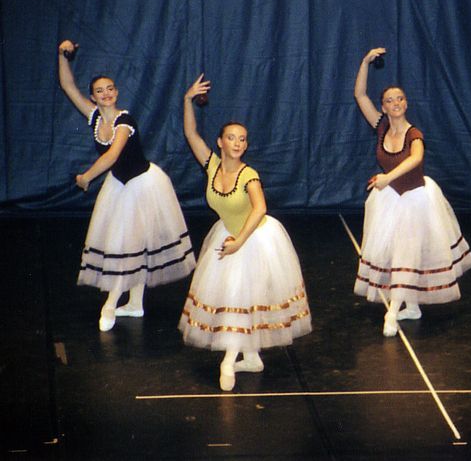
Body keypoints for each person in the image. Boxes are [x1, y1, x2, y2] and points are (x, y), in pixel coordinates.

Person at [178, 75, 311, 391]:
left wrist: (240, 241)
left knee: (241, 297)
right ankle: (251, 358)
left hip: (256, 238)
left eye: (243, 139)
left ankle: (228, 361)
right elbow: (190, 132)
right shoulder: (211, 165)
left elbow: (260, 208)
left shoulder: (249, 175)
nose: (238, 143)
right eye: (232, 138)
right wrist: (187, 100)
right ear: (220, 142)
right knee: (238, 298)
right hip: (229, 235)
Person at [57, 40, 196, 332]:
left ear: (116, 92)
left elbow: (112, 155)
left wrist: (86, 177)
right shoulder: (94, 118)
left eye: (110, 89)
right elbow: (68, 86)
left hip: (144, 186)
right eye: (99, 91)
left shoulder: (125, 121)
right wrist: (62, 55)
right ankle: (134, 303)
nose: (106, 94)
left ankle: (111, 303)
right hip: (120, 187)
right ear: (93, 98)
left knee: (131, 245)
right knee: (130, 245)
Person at [352, 48, 471, 337]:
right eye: (389, 100)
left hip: (416, 201)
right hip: (389, 200)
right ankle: (412, 306)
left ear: (406, 104)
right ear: (383, 107)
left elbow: (415, 160)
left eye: (400, 99)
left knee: (405, 254)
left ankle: (392, 312)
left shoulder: (414, 133)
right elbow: (359, 95)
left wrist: (386, 178)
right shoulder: (381, 126)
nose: (395, 103)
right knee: (395, 254)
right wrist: (365, 62)